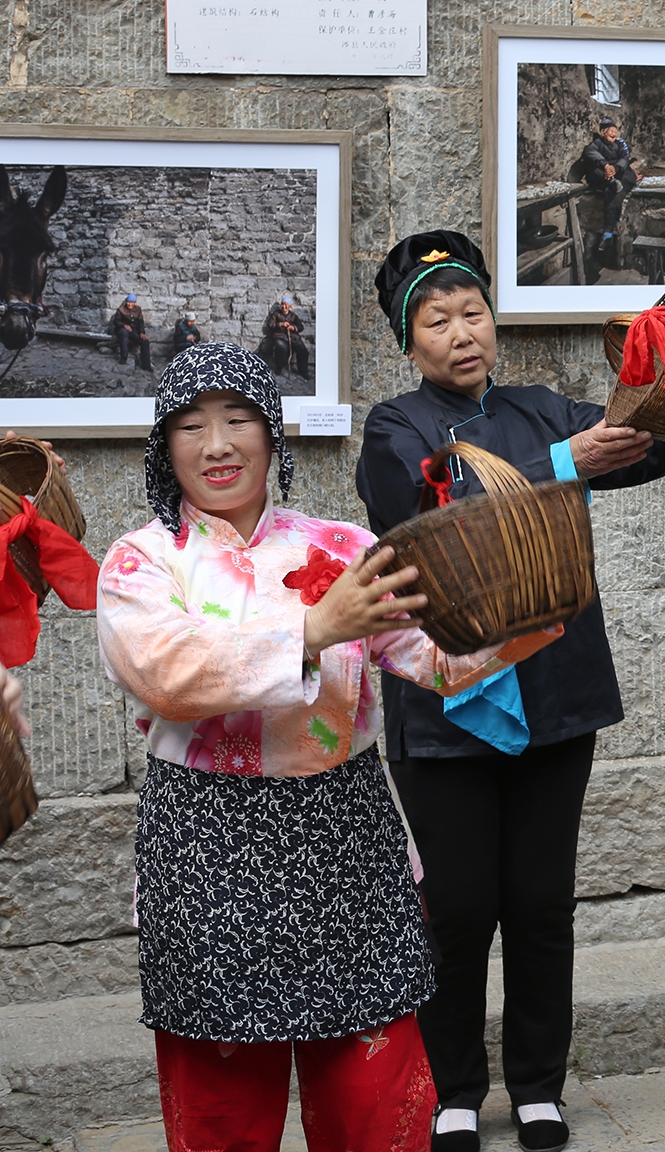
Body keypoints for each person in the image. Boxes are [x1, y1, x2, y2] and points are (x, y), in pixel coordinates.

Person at [98, 343, 555, 1152]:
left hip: (345, 833)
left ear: (273, 435)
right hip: (208, 849)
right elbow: (165, 674)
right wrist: (314, 627)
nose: (218, 444)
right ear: (163, 447)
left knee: (375, 1107)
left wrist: (525, 615)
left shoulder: (344, 546)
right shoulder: (141, 561)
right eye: (192, 425)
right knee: (221, 1116)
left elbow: (433, 658)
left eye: (239, 419)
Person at [356, 231, 665, 1152]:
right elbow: (431, 514)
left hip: (554, 689)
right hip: (447, 699)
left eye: (473, 312)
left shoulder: (543, 406)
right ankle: (456, 1086)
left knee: (541, 901)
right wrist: (567, 462)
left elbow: (647, 449)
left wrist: (662, 376)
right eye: (437, 319)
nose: (462, 332)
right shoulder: (395, 428)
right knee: (459, 906)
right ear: (407, 338)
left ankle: (539, 1084)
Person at [580, 116, 636, 257]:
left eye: (615, 131)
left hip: (618, 173)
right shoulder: (597, 144)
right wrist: (605, 165)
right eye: (610, 131)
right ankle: (608, 233)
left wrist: (615, 169)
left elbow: (625, 157)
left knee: (616, 192)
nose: (614, 134)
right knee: (593, 169)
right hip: (606, 173)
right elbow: (588, 152)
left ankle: (608, 232)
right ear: (603, 132)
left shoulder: (620, 143)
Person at [258, 296, 311, 378]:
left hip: (293, 337)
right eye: (282, 304)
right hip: (280, 336)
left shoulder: (293, 316)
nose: (284, 306)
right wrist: (281, 324)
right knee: (281, 348)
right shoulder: (276, 315)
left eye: (286, 305)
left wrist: (293, 328)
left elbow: (300, 327)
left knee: (303, 351)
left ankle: (303, 371)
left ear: (290, 306)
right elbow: (270, 325)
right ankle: (279, 368)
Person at [110, 294, 152, 371]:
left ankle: (146, 365)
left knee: (144, 341)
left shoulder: (138, 310)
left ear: (134, 303)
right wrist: (124, 325)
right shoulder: (121, 310)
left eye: (132, 302)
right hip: (122, 330)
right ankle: (123, 357)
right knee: (124, 334)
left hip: (133, 331)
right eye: (128, 302)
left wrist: (142, 332)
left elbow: (140, 322)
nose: (130, 304)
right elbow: (116, 321)